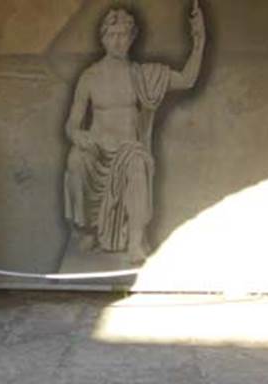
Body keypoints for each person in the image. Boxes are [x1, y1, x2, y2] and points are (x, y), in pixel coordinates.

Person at [64, 3, 206, 264]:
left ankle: (134, 242)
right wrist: (78, 136)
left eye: (124, 36)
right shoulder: (90, 77)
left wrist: (199, 41)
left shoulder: (142, 75)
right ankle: (87, 229)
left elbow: (187, 79)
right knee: (75, 160)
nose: (118, 42)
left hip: (129, 149)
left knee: (138, 165)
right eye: (113, 35)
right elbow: (72, 123)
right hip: (96, 151)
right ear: (104, 37)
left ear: (132, 38)